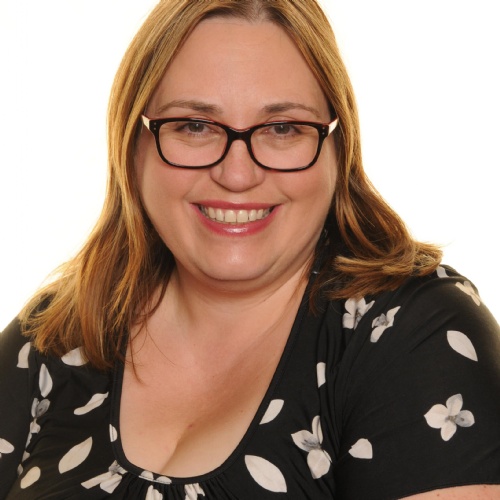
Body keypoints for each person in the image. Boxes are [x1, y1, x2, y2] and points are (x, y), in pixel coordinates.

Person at [1, 0, 499, 498]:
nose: (237, 175)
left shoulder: (417, 334)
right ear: (132, 146)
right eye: (194, 125)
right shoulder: (51, 336)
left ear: (338, 147)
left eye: (283, 128)